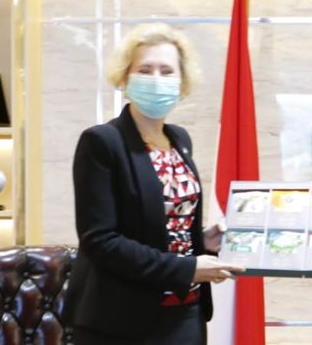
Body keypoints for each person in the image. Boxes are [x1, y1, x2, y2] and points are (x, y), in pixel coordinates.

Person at [65, 23, 244, 345]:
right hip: (121, 319)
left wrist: (202, 242)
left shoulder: (179, 139)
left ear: (182, 82)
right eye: (145, 70)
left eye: (167, 71)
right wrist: (184, 268)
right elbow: (100, 239)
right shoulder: (102, 142)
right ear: (125, 78)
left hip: (186, 310)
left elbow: (164, 223)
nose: (157, 79)